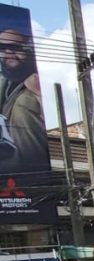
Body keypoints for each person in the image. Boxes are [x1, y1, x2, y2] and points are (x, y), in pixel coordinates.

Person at [0, 28, 46, 170]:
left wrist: (38, 93)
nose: (8, 53)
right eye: (3, 48)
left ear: (28, 49)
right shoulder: (4, 82)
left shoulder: (29, 94)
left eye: (15, 47)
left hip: (24, 177)